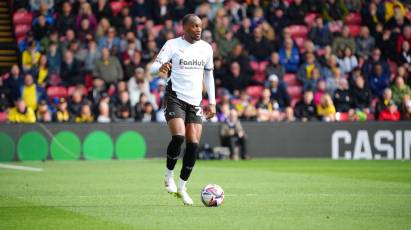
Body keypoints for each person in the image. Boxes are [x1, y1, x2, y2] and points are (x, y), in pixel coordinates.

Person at [149, 14, 216, 205]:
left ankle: (182, 186)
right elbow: (152, 69)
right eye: (194, 26)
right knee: (178, 137)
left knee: (193, 144)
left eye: (200, 26)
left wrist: (212, 102)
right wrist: (160, 68)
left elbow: (209, 76)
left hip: (195, 102)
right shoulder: (172, 45)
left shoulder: (206, 48)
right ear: (184, 27)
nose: (198, 29)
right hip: (175, 97)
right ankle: (168, 175)